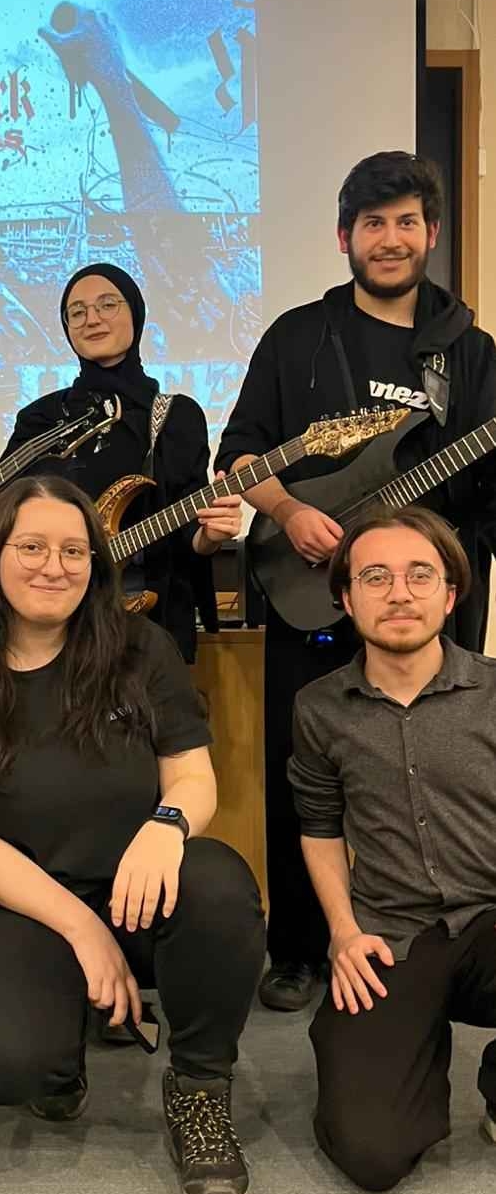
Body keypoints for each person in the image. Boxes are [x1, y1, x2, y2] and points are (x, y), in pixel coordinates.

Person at [0, 475, 266, 1194]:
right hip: (27, 902)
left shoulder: (141, 648)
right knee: (4, 1066)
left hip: (144, 886)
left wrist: (166, 825)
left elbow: (193, 776)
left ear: (95, 563)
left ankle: (200, 1088)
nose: (54, 566)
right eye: (32, 547)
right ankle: (61, 1052)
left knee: (219, 886)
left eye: (74, 551)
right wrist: (83, 930)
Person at [215, 152, 496, 1011]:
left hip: (427, 603)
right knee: (306, 770)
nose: (391, 238)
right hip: (310, 590)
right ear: (345, 237)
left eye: (407, 221)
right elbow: (239, 457)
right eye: (374, 223)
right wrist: (289, 511)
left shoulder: (468, 351)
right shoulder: (298, 336)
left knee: (442, 770)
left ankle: (450, 942)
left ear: (432, 233)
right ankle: (303, 948)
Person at [288, 506, 496, 1192]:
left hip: (492, 922)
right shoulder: (319, 708)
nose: (399, 593)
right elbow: (320, 826)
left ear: (450, 594)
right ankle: (414, 1045)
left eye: (419, 575)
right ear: (347, 599)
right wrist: (343, 934)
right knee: (371, 1152)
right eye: (375, 577)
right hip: (392, 937)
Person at [4, 263, 241, 666]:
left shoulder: (175, 416)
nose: (92, 319)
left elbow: (189, 533)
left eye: (107, 305)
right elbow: (6, 511)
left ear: (136, 314)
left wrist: (211, 535)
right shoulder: (40, 419)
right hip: (48, 623)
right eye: (77, 312)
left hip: (145, 629)